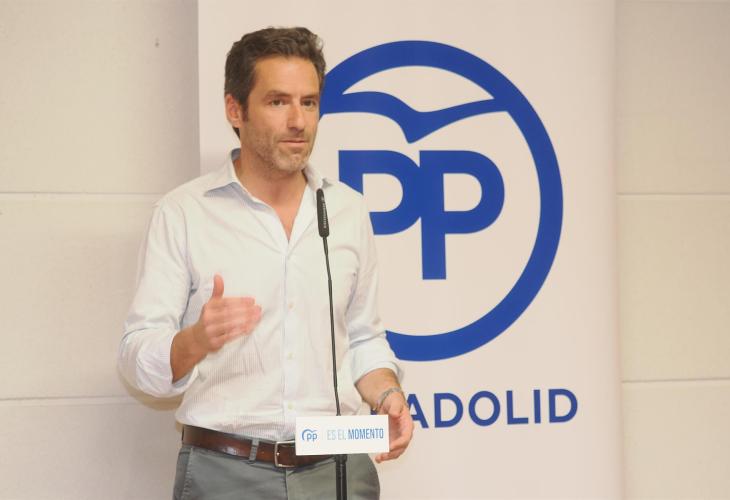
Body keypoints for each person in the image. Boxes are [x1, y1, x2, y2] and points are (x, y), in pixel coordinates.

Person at [118, 27, 413, 499]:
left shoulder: (347, 210)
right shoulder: (184, 213)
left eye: (309, 103)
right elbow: (136, 356)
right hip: (226, 471)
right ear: (235, 110)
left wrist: (387, 394)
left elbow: (363, 337)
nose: (298, 121)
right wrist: (194, 341)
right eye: (278, 102)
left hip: (338, 469)